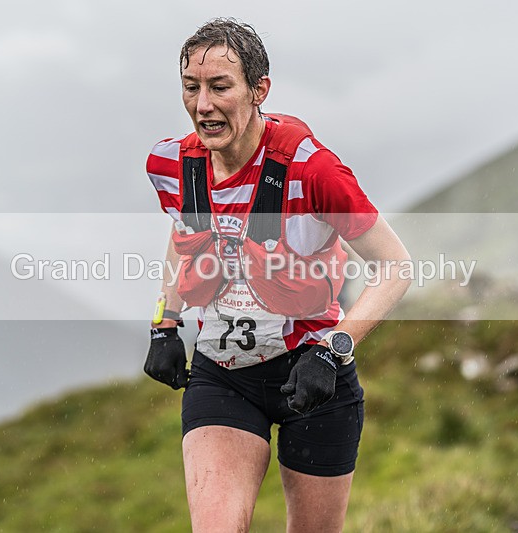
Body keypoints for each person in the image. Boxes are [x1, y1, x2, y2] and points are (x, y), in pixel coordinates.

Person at [144, 18, 411, 532]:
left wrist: (334, 351)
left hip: (312, 377)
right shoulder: (171, 164)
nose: (203, 105)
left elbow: (396, 266)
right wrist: (165, 323)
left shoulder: (314, 172)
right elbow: (184, 237)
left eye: (220, 87)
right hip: (222, 375)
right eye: (191, 87)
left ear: (259, 89)